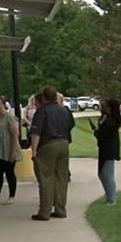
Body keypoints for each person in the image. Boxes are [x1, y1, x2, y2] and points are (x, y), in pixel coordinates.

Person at [30, 85, 75, 221]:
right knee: (61, 178)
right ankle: (60, 209)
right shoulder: (64, 110)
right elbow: (70, 125)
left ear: (44, 97)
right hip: (64, 144)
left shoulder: (42, 111)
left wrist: (34, 151)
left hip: (48, 145)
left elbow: (36, 133)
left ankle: (45, 211)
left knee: (46, 179)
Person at [90, 99, 121, 204]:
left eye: (103, 107)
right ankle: (109, 196)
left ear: (109, 109)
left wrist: (96, 130)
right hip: (105, 149)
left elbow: (101, 135)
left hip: (108, 150)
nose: (101, 109)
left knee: (107, 174)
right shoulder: (106, 119)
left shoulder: (109, 121)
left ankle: (111, 199)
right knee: (102, 174)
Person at [0, 96, 21, 204]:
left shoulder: (10, 117)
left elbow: (15, 135)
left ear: (4, 104)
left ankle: (11, 196)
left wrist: (12, 153)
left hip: (9, 147)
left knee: (9, 172)